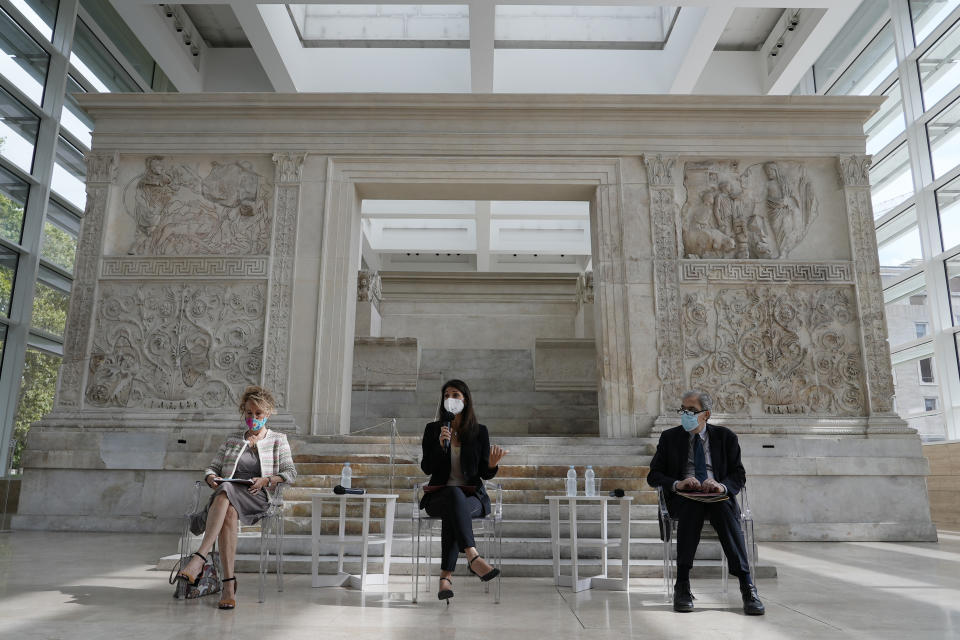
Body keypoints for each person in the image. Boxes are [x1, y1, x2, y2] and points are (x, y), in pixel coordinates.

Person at [175, 385, 296, 610]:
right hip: (229, 492)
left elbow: (290, 472)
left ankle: (199, 559)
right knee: (227, 503)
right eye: (249, 413)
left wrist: (266, 480)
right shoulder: (232, 440)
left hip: (257, 495)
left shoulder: (278, 440)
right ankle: (229, 586)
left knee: (224, 494)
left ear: (267, 413)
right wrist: (211, 477)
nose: (253, 418)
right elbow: (212, 468)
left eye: (258, 413)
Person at [646, 389, 764, 616]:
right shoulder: (669, 437)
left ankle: (747, 585)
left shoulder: (725, 437)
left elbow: (738, 475)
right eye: (683, 410)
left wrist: (722, 486)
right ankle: (682, 585)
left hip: (716, 494)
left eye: (691, 410)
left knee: (722, 506)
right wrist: (678, 484)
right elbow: (654, 475)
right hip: (685, 497)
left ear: (706, 415)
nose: (686, 415)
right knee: (692, 506)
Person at [419, 379, 509, 602]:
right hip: (439, 496)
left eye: (456, 395)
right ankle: (473, 556)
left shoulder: (479, 432)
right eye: (447, 395)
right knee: (452, 495)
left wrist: (491, 465)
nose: (451, 399)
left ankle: (445, 577)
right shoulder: (433, 430)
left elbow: (483, 474)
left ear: (465, 400)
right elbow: (426, 468)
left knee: (455, 504)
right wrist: (440, 447)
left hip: (472, 498)